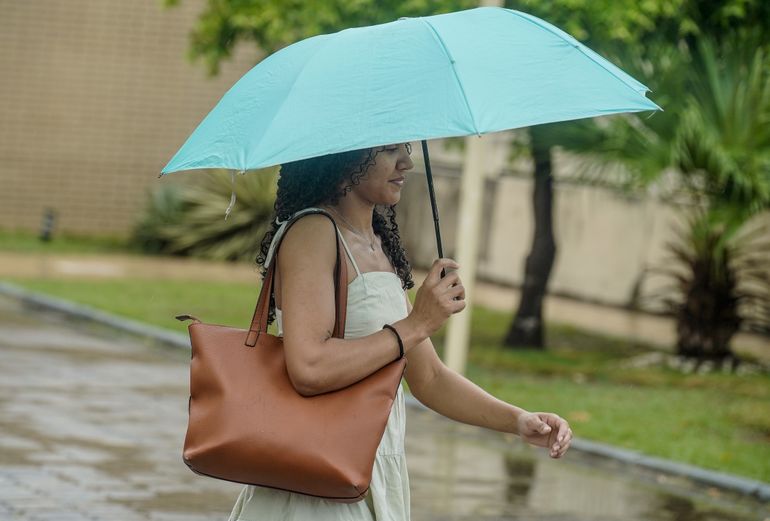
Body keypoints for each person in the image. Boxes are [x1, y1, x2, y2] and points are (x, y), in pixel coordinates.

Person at [228, 142, 573, 521]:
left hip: (371, 468)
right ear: (346, 157)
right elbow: (309, 367)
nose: (406, 163)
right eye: (390, 150)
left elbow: (429, 378)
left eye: (406, 149)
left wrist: (519, 420)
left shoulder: (377, 243)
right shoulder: (313, 233)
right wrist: (417, 324)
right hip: (318, 484)